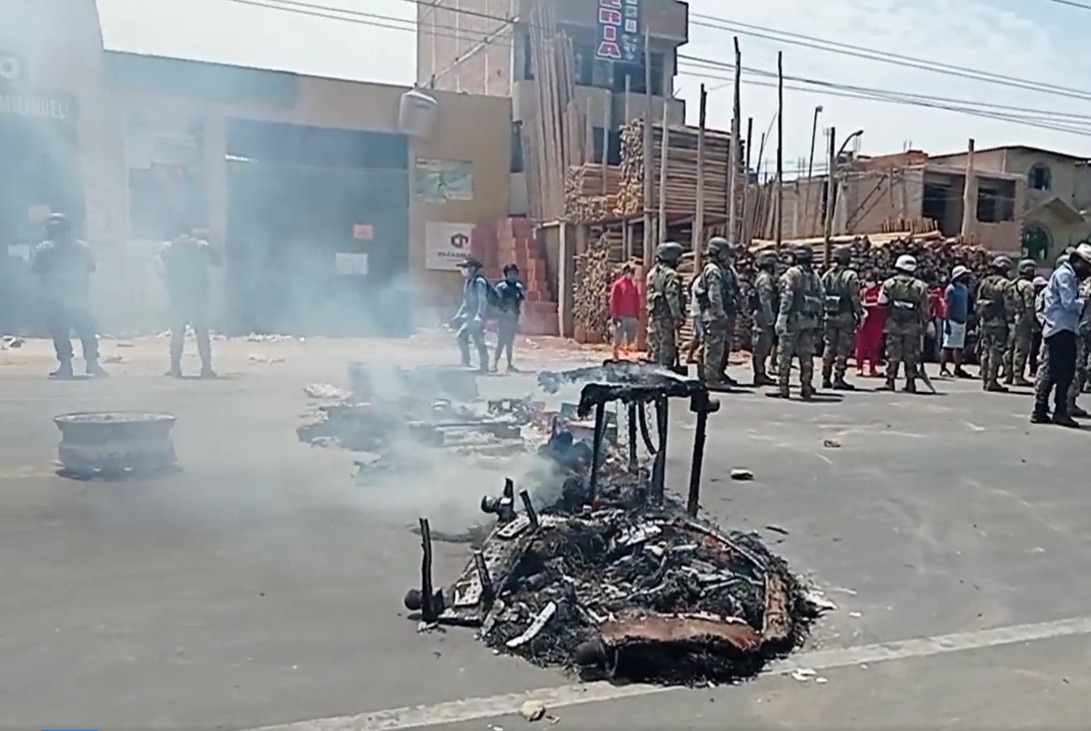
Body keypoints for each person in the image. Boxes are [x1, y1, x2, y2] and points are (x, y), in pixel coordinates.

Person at [30, 213, 106, 379]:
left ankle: (66, 366)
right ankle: (92, 364)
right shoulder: (82, 247)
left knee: (60, 333)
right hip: (80, 297)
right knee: (87, 332)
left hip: (56, 299)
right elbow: (91, 267)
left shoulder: (44, 248)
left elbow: (35, 269)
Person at [1032, 244, 1091, 426]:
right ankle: (1055, 410)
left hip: (1062, 328)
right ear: (1076, 261)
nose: (1088, 271)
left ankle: (1045, 409)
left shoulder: (1069, 276)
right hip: (1061, 328)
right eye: (1087, 265)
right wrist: (1084, 301)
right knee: (1061, 372)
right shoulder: (1065, 275)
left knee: (1057, 371)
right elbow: (1068, 303)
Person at [160, 225, 221, 378]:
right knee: (201, 333)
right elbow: (218, 261)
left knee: (177, 334)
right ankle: (206, 368)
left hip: (178, 297)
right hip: (198, 295)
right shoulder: (201, 246)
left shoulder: (169, 247)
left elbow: (163, 266)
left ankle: (175, 368)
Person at [770, 244, 824, 400]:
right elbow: (822, 297)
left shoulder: (793, 274)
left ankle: (783, 387)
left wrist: (782, 317)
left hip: (793, 319)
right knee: (806, 355)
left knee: (785, 354)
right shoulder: (814, 276)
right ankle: (806, 386)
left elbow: (787, 296)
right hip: (809, 320)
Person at [877, 254, 929, 393]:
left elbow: (881, 302)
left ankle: (890, 381)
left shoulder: (889, 284)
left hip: (893, 324)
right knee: (910, 354)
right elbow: (925, 310)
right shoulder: (920, 286)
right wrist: (924, 326)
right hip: (912, 326)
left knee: (893, 353)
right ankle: (910, 382)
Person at [820, 245, 863, 390]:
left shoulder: (827, 275)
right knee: (843, 348)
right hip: (845, 315)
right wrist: (860, 313)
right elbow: (854, 297)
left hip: (829, 314)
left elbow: (821, 294)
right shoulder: (851, 276)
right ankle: (838, 377)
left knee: (829, 346)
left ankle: (825, 377)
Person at [693, 237, 734, 386]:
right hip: (713, 314)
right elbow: (714, 295)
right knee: (713, 348)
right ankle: (711, 379)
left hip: (712, 314)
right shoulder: (714, 270)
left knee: (710, 345)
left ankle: (705, 375)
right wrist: (720, 313)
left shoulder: (721, 269)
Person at [976, 256, 1014, 393]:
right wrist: (1011, 320)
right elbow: (1009, 305)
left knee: (985, 350)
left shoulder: (984, 282)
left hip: (985, 320)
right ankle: (992, 380)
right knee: (996, 351)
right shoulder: (1005, 284)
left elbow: (978, 300)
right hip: (999, 321)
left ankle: (985, 379)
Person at [645, 242, 685, 369]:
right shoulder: (670, 275)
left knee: (654, 347)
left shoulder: (652, 274)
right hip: (666, 319)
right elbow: (671, 297)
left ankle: (653, 374)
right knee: (666, 349)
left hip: (654, 317)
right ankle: (664, 374)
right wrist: (678, 317)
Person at [1003, 259, 1038, 387]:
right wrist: (1033, 321)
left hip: (1011, 318)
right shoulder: (1027, 285)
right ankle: (1018, 376)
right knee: (1021, 348)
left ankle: (1008, 375)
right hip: (1023, 318)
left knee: (1010, 348)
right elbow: (1029, 305)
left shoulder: (1012, 284)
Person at [452, 257, 490, 372]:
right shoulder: (468, 282)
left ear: (473, 268)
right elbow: (466, 301)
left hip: (477, 317)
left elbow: (482, 299)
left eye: (465, 267)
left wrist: (479, 316)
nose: (463, 270)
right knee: (477, 340)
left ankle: (475, 364)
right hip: (470, 315)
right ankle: (480, 365)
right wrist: (458, 315)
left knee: (465, 337)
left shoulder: (479, 282)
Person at [749, 250, 779, 386]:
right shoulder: (764, 279)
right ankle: (759, 374)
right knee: (761, 344)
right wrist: (770, 318)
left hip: (763, 314)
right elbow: (765, 300)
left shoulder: (765, 277)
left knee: (765, 344)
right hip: (762, 315)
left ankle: (761, 373)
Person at [939, 265, 972, 378]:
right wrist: (946, 321)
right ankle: (943, 368)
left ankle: (957, 368)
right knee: (947, 345)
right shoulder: (951, 289)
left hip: (962, 321)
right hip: (952, 321)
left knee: (959, 347)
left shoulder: (964, 288)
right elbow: (947, 306)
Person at [493, 263, 525, 372]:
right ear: (506, 274)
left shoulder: (518, 287)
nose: (512, 275)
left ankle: (509, 364)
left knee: (510, 342)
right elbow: (497, 303)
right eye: (510, 273)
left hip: (514, 318)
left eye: (514, 273)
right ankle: (495, 364)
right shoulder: (501, 287)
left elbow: (520, 303)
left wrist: (520, 318)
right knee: (501, 342)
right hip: (503, 319)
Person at [855, 270, 884, 377]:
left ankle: (872, 368)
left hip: (876, 322)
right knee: (861, 346)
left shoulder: (880, 291)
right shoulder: (863, 292)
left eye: (871, 280)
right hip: (864, 322)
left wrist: (870, 305)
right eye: (867, 280)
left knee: (874, 347)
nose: (869, 283)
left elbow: (882, 304)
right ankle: (859, 367)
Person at [609, 263, 641, 359]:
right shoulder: (618, 285)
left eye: (633, 272)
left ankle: (626, 354)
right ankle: (615, 354)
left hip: (631, 315)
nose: (631, 274)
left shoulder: (633, 285)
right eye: (630, 272)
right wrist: (614, 315)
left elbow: (636, 300)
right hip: (621, 316)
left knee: (631, 337)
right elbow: (614, 300)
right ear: (625, 272)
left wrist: (637, 314)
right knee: (618, 337)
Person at [1029, 275, 1048, 376]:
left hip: (1042, 325)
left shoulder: (1043, 294)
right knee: (1036, 348)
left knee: (1037, 348)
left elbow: (1039, 311)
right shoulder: (1041, 294)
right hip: (1041, 325)